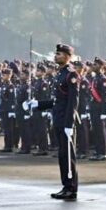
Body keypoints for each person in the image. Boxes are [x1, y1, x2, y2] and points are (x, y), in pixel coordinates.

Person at [28, 44, 80, 200]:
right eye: (56, 54)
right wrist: (38, 104)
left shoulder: (71, 74)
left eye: (59, 54)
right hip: (58, 119)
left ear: (67, 56)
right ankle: (65, 186)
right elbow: (57, 101)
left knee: (68, 156)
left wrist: (69, 123)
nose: (56, 56)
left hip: (66, 121)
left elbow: (73, 101)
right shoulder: (60, 74)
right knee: (62, 155)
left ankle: (71, 188)